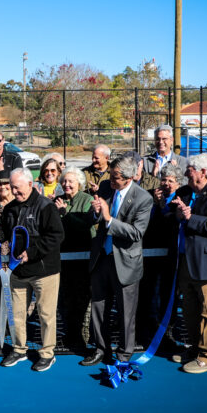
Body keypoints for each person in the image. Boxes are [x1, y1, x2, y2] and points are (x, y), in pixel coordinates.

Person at [83, 155, 153, 366]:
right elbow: (91, 218)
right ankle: (100, 349)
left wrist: (109, 219)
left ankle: (123, 355)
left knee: (126, 313)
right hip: (101, 259)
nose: (111, 181)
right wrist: (95, 213)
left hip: (126, 263)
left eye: (115, 178)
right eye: (111, 176)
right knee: (98, 307)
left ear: (129, 177)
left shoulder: (143, 198)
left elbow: (136, 233)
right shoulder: (105, 187)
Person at [168, 153, 207, 374]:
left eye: (190, 169)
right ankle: (195, 349)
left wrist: (190, 218)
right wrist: (176, 213)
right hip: (186, 262)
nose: (186, 173)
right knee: (190, 310)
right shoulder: (184, 192)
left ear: (202, 172)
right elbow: (168, 215)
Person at [0, 168, 64, 372]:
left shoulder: (46, 206)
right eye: (12, 188)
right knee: (16, 313)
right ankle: (19, 349)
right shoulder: (9, 209)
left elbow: (56, 236)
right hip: (18, 271)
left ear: (30, 185)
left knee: (46, 314)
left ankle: (47, 353)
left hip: (45, 272)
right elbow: (6, 235)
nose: (14, 191)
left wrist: (31, 252)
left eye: (17, 188)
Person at [135, 162, 182, 347]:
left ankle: (167, 333)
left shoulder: (180, 199)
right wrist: (155, 205)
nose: (167, 184)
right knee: (148, 295)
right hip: (149, 255)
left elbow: (172, 223)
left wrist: (163, 207)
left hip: (171, 257)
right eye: (164, 180)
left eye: (171, 181)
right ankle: (145, 332)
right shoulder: (149, 197)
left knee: (167, 296)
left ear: (178, 183)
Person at [54, 166, 95, 351]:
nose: (67, 184)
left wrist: (65, 214)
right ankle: (68, 336)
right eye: (64, 181)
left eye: (71, 181)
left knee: (82, 301)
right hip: (62, 260)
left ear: (79, 183)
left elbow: (85, 226)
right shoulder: (58, 200)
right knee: (64, 300)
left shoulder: (86, 200)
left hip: (82, 260)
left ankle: (81, 339)